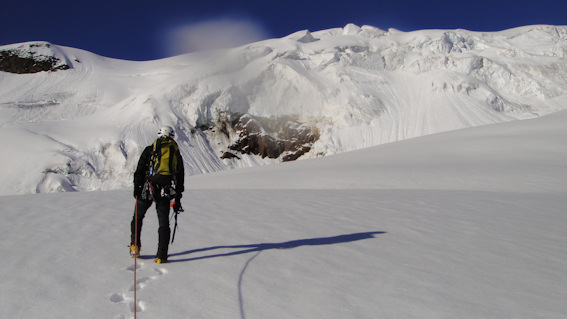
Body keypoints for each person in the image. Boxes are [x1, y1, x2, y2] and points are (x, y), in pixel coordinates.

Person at [130, 126, 184, 264]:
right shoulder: (175, 153)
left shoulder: (150, 150)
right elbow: (180, 177)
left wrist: (137, 190)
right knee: (163, 223)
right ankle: (161, 256)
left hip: (148, 189)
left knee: (138, 217)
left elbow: (139, 171)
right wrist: (177, 198)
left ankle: (135, 246)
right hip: (165, 191)